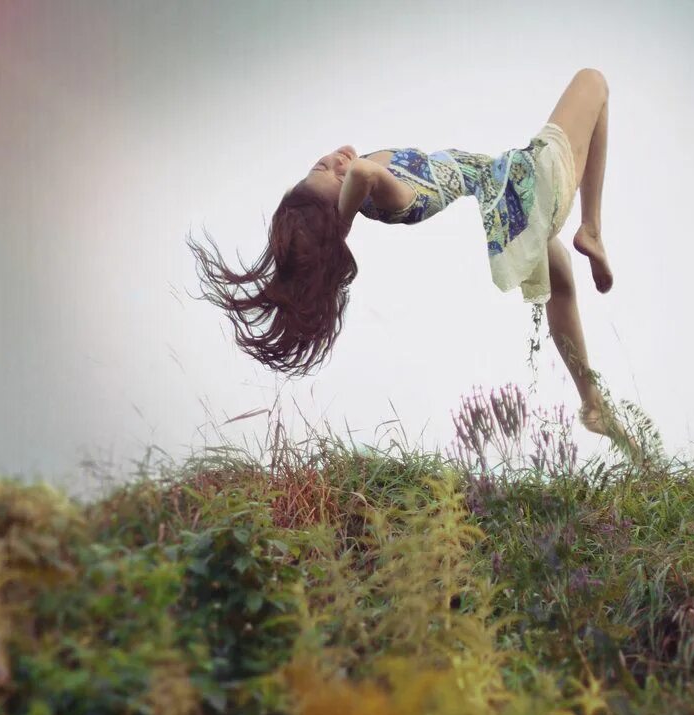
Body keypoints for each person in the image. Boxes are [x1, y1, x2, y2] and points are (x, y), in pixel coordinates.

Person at [187, 68, 642, 461]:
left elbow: (356, 166)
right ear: (340, 210)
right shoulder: (382, 197)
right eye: (330, 174)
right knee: (594, 82)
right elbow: (363, 174)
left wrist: (339, 179)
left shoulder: (369, 186)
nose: (335, 162)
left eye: (320, 163)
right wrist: (340, 219)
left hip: (508, 213)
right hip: (524, 184)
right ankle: (593, 229)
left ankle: (591, 401)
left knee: (560, 288)